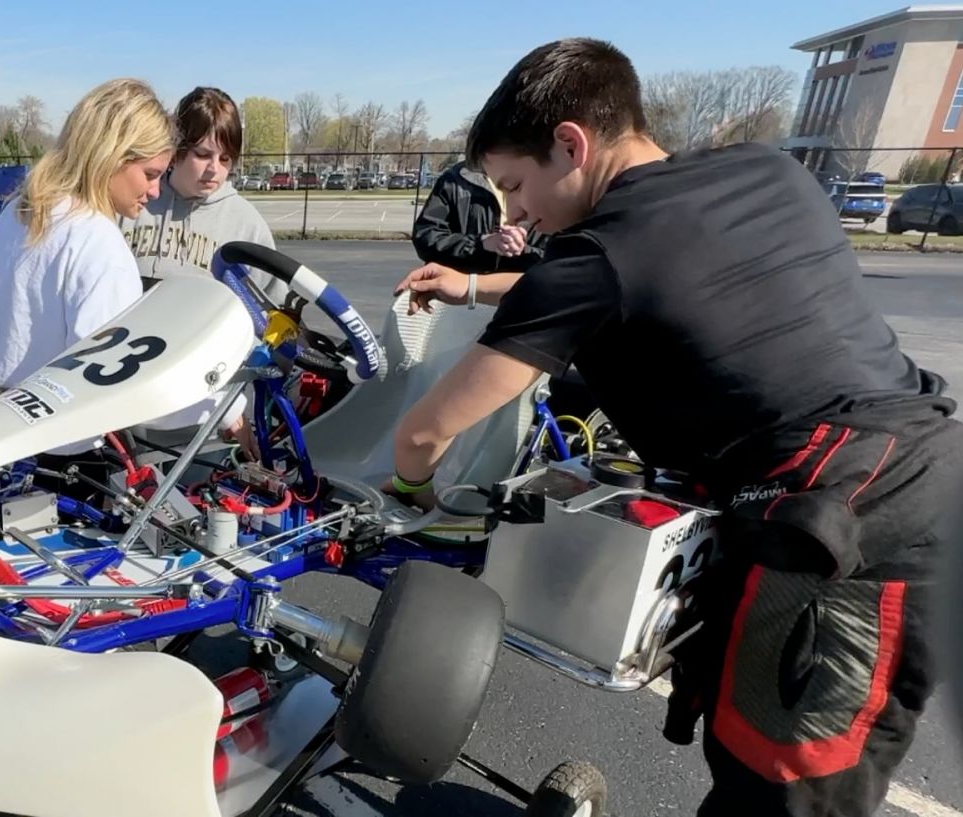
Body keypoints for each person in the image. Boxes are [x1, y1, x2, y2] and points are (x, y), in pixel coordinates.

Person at [387, 38, 961, 817]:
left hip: (842, 527)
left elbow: (424, 434)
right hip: (919, 471)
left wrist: (413, 490)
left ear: (571, 144)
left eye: (517, 185)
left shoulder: (597, 258)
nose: (516, 212)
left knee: (782, 794)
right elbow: (648, 277)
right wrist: (471, 287)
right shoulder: (768, 172)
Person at [0, 78, 254, 458]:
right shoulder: (96, 239)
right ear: (110, 156)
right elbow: (122, 387)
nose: (155, 191)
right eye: (150, 174)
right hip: (60, 450)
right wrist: (226, 409)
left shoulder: (22, 210)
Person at [119, 86, 284, 303]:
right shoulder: (132, 203)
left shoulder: (249, 227)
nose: (214, 168)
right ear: (178, 149)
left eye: (225, 158)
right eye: (203, 155)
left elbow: (272, 315)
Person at [410, 158, 546, 273]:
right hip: (462, 295)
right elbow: (425, 238)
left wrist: (522, 250)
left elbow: (561, 255)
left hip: (526, 292)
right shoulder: (454, 181)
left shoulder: (545, 179)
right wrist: (481, 243)